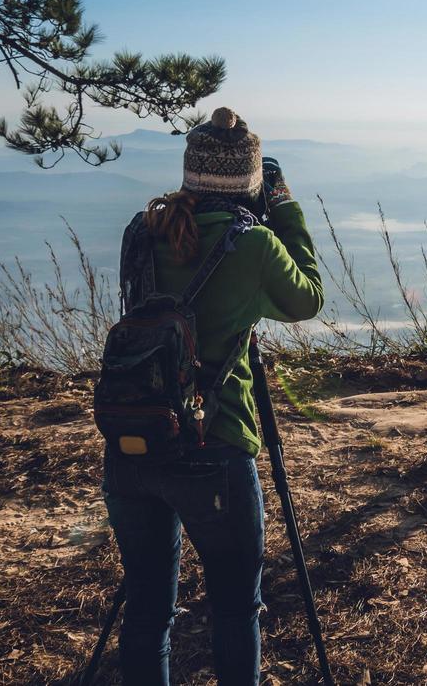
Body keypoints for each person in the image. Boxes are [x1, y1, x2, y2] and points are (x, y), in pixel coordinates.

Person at [103, 107, 323, 686]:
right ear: (251, 179)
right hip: (214, 443)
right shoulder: (252, 245)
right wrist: (286, 208)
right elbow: (308, 300)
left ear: (189, 173)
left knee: (148, 609)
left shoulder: (142, 230)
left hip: (134, 441)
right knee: (233, 607)